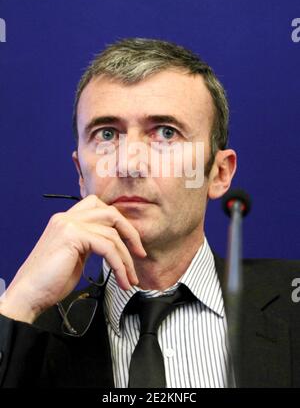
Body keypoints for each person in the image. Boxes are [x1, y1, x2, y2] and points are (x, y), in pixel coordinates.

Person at [0, 38, 299, 388]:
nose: (129, 165)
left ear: (219, 173)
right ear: (81, 173)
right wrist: (17, 304)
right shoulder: (29, 331)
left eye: (166, 133)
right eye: (107, 133)